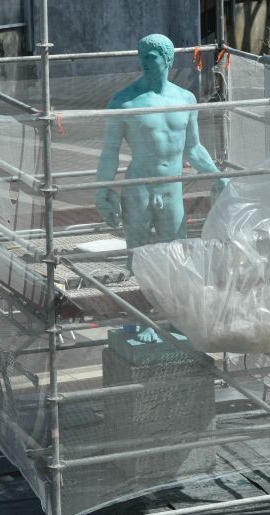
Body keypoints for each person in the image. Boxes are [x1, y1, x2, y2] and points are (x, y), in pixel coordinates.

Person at [96, 33, 229, 342]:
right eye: (141, 54)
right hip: (139, 187)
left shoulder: (185, 100)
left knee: (175, 254)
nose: (145, 60)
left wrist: (217, 175)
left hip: (171, 190)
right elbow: (109, 153)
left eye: (152, 55)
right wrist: (101, 190)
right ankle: (142, 321)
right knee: (139, 255)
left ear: (168, 60)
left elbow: (194, 149)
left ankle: (174, 318)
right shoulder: (124, 102)